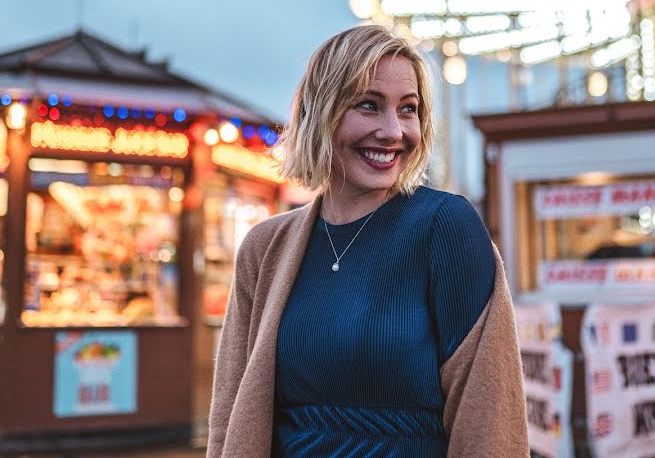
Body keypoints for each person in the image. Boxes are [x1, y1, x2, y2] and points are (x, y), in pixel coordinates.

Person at [207, 25, 528, 458]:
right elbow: (232, 416)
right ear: (320, 113)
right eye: (368, 105)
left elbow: (489, 420)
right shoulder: (265, 249)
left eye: (408, 109)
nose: (393, 131)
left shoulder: (447, 228)